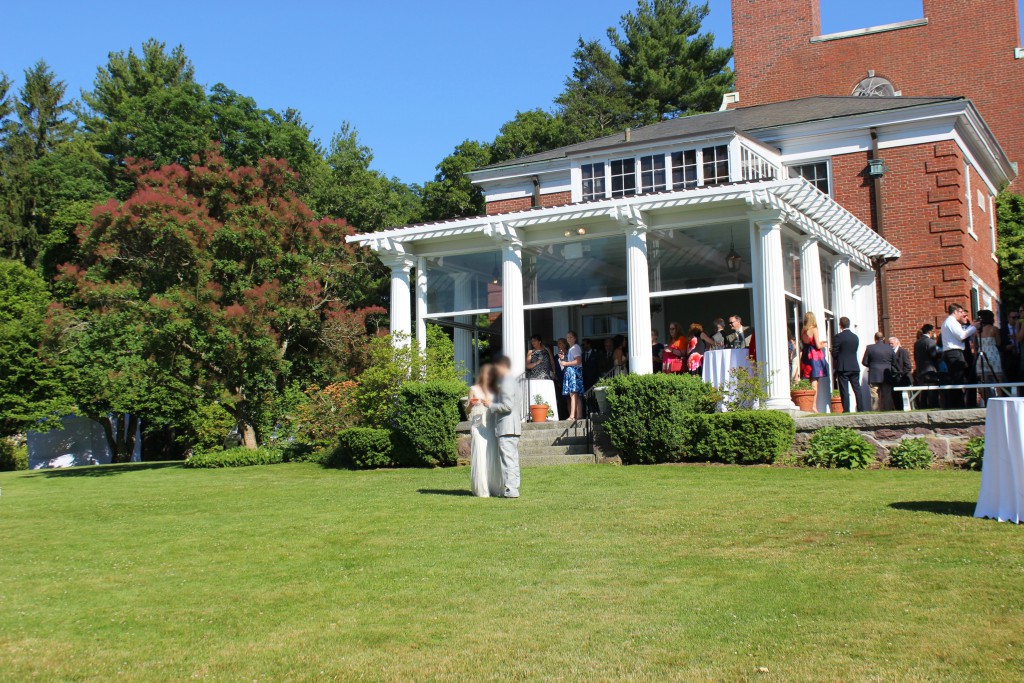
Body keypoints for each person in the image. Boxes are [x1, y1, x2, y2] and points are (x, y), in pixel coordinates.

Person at [486, 356, 521, 499]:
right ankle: (513, 488)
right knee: (512, 459)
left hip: (506, 426)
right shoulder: (514, 382)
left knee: (508, 460)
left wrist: (491, 406)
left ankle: (510, 490)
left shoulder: (506, 382)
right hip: (513, 426)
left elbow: (507, 406)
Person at [467, 365, 503, 497]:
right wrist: (471, 404)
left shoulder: (495, 391)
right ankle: (481, 489)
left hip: (491, 425)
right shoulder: (473, 389)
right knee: (480, 456)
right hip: (478, 426)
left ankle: (494, 487)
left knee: (492, 456)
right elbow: (467, 411)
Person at [941, 303, 977, 408]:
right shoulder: (951, 322)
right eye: (961, 312)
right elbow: (962, 335)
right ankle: (957, 405)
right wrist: (974, 327)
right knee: (957, 378)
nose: (962, 314)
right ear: (955, 311)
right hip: (954, 352)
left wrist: (971, 326)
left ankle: (957, 404)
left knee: (957, 378)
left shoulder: (949, 322)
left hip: (953, 352)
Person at [831, 316, 864, 413]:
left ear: (840, 325)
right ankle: (861, 408)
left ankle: (846, 409)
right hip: (854, 366)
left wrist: (833, 353)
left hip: (843, 367)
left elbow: (835, 353)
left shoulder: (838, 337)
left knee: (844, 389)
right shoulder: (855, 337)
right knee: (857, 389)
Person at [975, 309, 1004, 404]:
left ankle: (987, 402)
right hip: (993, 354)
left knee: (983, 381)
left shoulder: (977, 331)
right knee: (998, 381)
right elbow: (999, 342)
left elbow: (975, 345)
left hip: (981, 354)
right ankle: (1000, 402)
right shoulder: (994, 329)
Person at [862, 331, 896, 411]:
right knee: (887, 395)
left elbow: (864, 362)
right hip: (886, 375)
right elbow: (894, 362)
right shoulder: (889, 348)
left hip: (874, 374)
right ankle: (888, 410)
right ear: (883, 338)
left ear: (875, 339)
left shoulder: (870, 348)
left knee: (874, 395)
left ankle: (875, 411)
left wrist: (872, 365)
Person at [799, 312, 828, 397]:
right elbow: (818, 346)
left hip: (806, 353)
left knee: (808, 379)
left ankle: (810, 402)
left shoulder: (803, 330)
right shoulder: (814, 329)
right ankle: (814, 405)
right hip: (814, 355)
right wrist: (824, 344)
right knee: (814, 380)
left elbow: (807, 343)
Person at [558, 331, 585, 420]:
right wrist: (563, 359)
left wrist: (566, 363)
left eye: (571, 337)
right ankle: (579, 415)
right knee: (575, 394)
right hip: (573, 372)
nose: (569, 339)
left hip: (574, 372)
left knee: (573, 394)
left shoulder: (575, 348)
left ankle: (572, 415)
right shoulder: (571, 348)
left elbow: (578, 361)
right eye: (568, 337)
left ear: (575, 338)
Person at [913, 324, 941, 409]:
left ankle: (923, 407)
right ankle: (934, 407)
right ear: (930, 332)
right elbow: (933, 355)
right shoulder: (930, 341)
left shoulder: (917, 342)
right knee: (933, 393)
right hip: (930, 370)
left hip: (920, 370)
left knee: (924, 393)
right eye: (933, 331)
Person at [890, 336, 913, 410]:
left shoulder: (903, 351)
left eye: (892, 343)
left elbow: (908, 366)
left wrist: (901, 374)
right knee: (896, 398)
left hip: (903, 378)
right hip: (894, 379)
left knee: (904, 398)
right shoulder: (890, 353)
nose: (890, 345)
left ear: (897, 342)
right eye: (889, 344)